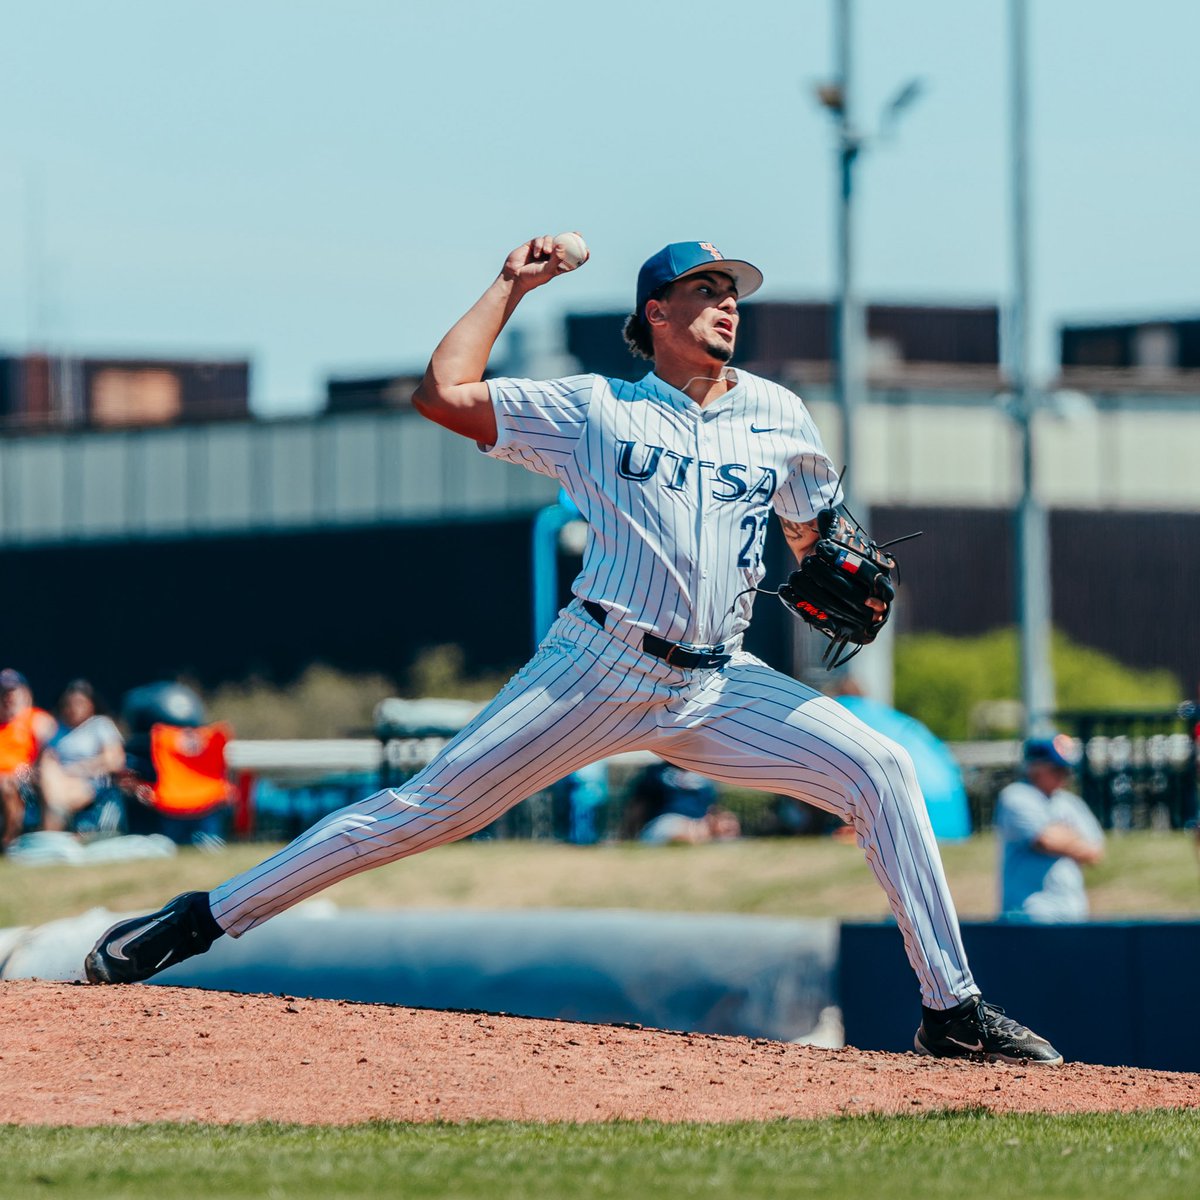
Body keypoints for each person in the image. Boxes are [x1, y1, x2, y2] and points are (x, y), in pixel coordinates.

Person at [84, 235, 1063, 1065]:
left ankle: (951, 1010)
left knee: (884, 767)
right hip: (595, 666)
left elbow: (819, 540)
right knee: (421, 811)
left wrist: (832, 558)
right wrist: (514, 285)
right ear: (657, 312)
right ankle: (199, 919)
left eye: (733, 292)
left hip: (720, 685)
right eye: (706, 290)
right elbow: (444, 391)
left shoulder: (780, 418)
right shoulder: (597, 410)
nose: (728, 304)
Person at [995, 735, 1105, 923]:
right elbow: (1045, 841)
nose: (1064, 775)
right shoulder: (1016, 797)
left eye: (1067, 769)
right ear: (1035, 768)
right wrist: (1073, 839)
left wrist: (1060, 836)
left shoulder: (1070, 803)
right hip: (1029, 915)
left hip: (1073, 913)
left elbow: (1095, 852)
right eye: (1057, 769)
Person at [37, 680, 126, 835]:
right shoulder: (55, 729)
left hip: (91, 783)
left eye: (79, 703)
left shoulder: (100, 725)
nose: (73, 709)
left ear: (91, 704)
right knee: (47, 773)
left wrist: (76, 769)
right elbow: (46, 760)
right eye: (69, 704)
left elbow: (115, 760)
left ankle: (49, 834)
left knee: (54, 798)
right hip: (55, 782)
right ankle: (52, 829)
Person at [0, 669, 57, 848]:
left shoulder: (36, 719)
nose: (8, 698)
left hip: (24, 778)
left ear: (25, 693)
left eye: (12, 692)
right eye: (3, 693)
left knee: (6, 784)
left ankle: (9, 842)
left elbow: (51, 753)